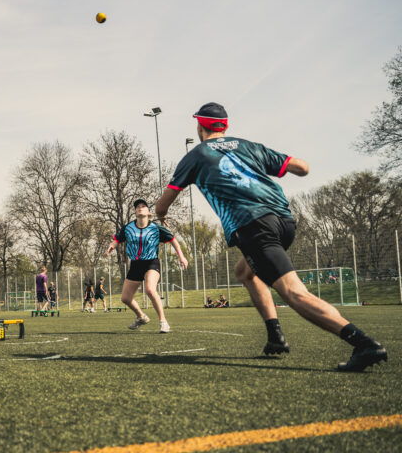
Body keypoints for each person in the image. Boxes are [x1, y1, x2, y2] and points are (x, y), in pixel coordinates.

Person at [153, 102, 387, 371]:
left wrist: (162, 217)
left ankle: (363, 343)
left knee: (294, 293)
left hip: (253, 227)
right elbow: (302, 167)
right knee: (246, 271)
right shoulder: (249, 146)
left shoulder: (196, 156)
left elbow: (162, 205)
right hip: (284, 221)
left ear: (199, 126)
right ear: (225, 126)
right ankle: (275, 337)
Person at [106, 199, 188, 333]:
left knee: (150, 289)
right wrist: (112, 246)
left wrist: (181, 256)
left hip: (151, 262)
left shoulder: (156, 228)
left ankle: (163, 321)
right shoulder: (128, 227)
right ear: (135, 212)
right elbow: (118, 238)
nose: (140, 208)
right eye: (137, 207)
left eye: (143, 206)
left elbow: (173, 240)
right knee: (125, 298)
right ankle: (141, 317)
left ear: (148, 212)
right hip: (136, 264)